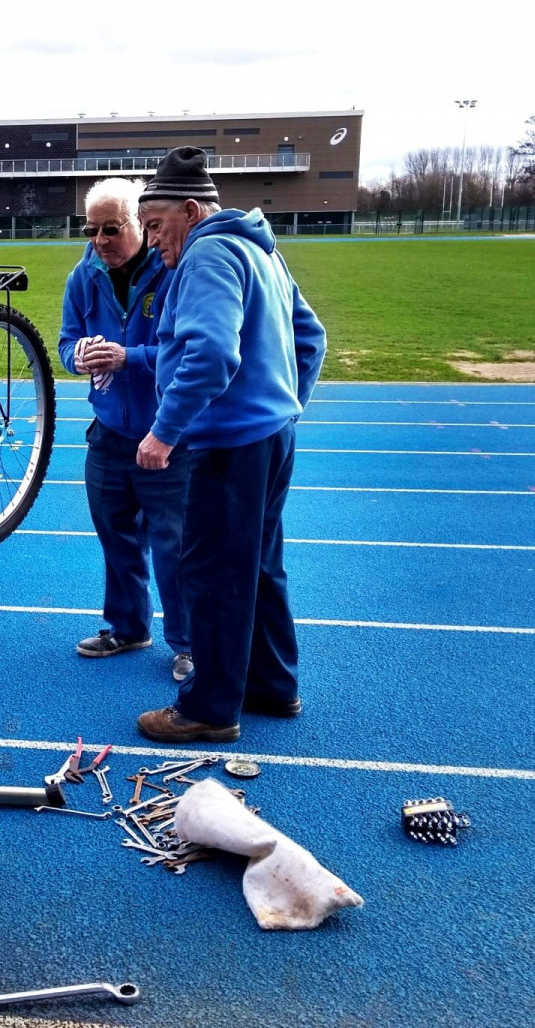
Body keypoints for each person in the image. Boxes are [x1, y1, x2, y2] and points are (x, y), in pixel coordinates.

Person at [131, 147, 327, 743]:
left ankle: (209, 708)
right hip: (271, 436)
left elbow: (212, 353)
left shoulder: (208, 252)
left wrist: (164, 430)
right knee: (260, 565)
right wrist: (285, 403)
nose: (153, 242)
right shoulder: (259, 247)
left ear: (191, 211)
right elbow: (310, 336)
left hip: (229, 444)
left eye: (157, 226)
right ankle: (272, 685)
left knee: (213, 573)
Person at [57, 178, 191, 681]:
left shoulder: (175, 267)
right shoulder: (84, 274)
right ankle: (128, 625)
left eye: (110, 228)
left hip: (166, 432)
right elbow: (67, 342)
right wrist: (80, 356)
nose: (99, 240)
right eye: (90, 229)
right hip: (109, 428)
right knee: (115, 535)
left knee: (174, 543)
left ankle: (187, 642)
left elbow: (188, 353)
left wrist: (129, 357)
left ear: (140, 223)